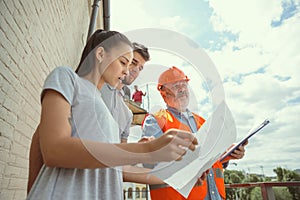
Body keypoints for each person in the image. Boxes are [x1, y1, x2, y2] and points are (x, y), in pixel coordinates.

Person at [26, 30, 199, 200]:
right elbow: (54, 149)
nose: (127, 71)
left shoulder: (111, 114)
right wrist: (147, 150)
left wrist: (180, 176)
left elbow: (118, 168)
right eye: (124, 62)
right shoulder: (68, 78)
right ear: (100, 54)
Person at [142, 66, 248, 200]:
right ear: (164, 93)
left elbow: (210, 158)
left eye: (184, 85)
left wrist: (227, 153)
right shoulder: (156, 120)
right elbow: (151, 162)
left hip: (215, 195)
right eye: (175, 86)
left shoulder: (202, 122)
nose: (182, 89)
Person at [100, 42, 150, 143]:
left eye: (140, 68)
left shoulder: (127, 115)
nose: (136, 70)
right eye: (134, 62)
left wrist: (138, 149)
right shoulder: (95, 87)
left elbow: (121, 152)